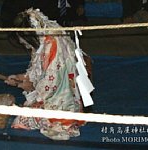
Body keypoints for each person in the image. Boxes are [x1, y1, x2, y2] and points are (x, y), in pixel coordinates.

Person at [5, 9, 89, 141]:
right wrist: (21, 78)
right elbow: (38, 70)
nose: (23, 44)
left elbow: (51, 82)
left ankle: (62, 120)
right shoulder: (44, 38)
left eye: (23, 41)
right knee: (23, 112)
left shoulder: (53, 44)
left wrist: (29, 86)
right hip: (57, 94)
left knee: (20, 121)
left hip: (61, 102)